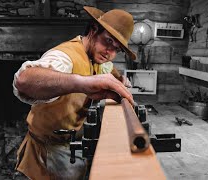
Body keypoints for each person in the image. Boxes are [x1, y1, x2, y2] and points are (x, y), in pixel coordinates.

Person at [12, 6, 137, 180]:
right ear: (93, 30)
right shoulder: (65, 56)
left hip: (73, 145)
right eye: (108, 41)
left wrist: (121, 81)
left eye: (117, 49)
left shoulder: (99, 58)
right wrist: (83, 83)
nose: (110, 53)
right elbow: (25, 81)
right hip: (50, 151)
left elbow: (110, 72)